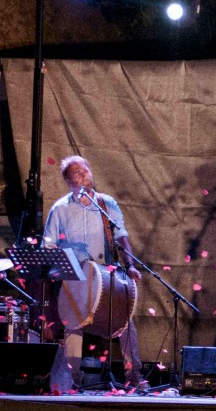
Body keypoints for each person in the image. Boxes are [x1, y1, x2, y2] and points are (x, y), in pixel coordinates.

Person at [43, 155, 147, 389]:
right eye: (76, 173)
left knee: (126, 322)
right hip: (74, 278)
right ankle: (73, 380)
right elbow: (48, 247)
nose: (83, 175)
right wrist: (64, 266)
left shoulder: (106, 203)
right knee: (72, 325)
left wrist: (130, 265)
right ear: (69, 182)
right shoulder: (60, 208)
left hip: (105, 277)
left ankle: (134, 377)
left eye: (85, 169)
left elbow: (121, 237)